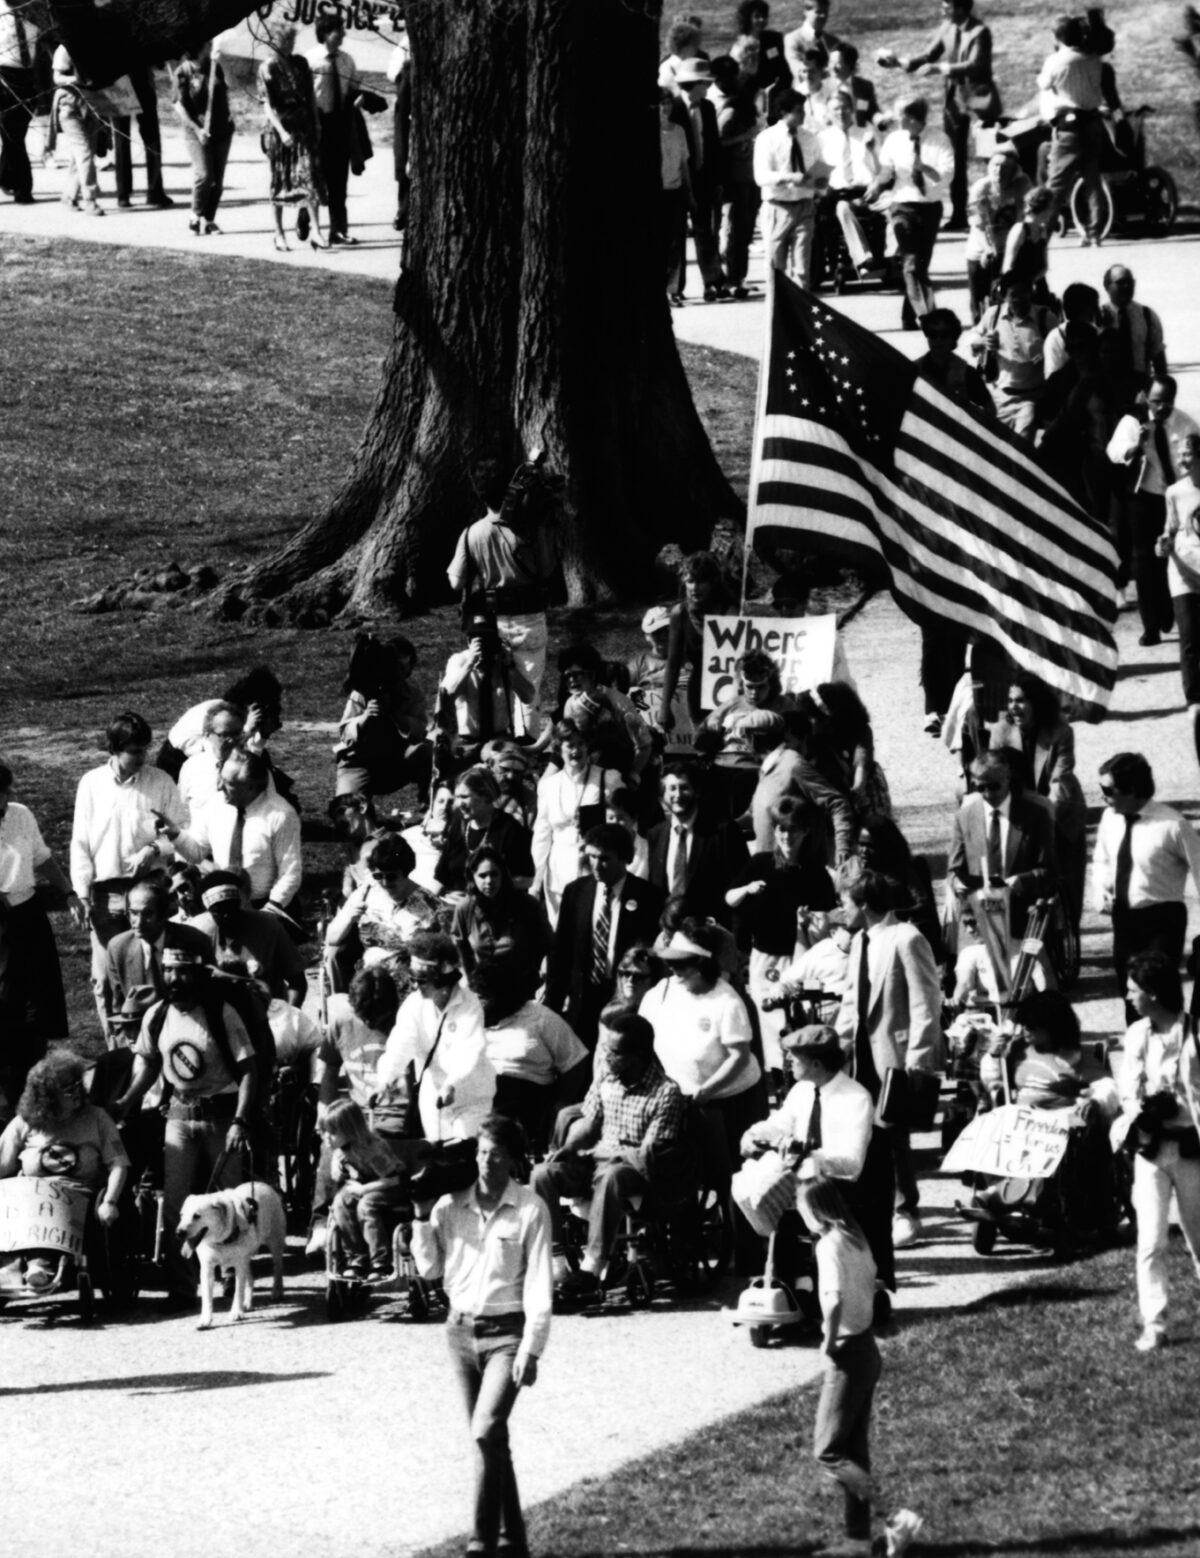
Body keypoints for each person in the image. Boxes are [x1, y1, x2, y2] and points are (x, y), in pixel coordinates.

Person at [411, 1114, 553, 1558]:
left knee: (485, 1429)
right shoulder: (448, 1206)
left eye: (495, 1153)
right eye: (480, 1152)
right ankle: (514, 1541)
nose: (486, 1161)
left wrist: (531, 1348)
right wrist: (419, 1215)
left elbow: (539, 1287)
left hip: (507, 1334)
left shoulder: (531, 1209)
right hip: (459, 1331)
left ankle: (480, 1543)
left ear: (513, 1159)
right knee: (490, 1439)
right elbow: (430, 1270)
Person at [113, 948, 258, 1309]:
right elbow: (148, 1062)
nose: (175, 980)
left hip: (222, 1115)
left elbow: (249, 1070)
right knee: (178, 1204)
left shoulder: (220, 1013)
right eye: (169, 972)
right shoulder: (157, 1015)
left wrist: (240, 1120)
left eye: (183, 972)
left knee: (229, 1200)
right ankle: (181, 1286)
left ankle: (230, 1276)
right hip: (178, 1113)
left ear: (198, 975)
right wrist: (125, 1103)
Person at [835, 870, 943, 1321]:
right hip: (860, 1054)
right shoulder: (860, 942)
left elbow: (926, 1000)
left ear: (862, 902)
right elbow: (850, 1001)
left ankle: (906, 1210)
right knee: (869, 1134)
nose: (841, 909)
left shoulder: (905, 937)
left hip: (893, 1055)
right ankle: (883, 1207)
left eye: (844, 901)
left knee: (893, 1131)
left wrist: (918, 1058)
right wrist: (835, 1045)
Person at [797, 1177, 924, 1558]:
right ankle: (856, 1541)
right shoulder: (855, 1237)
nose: (800, 1215)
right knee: (855, 1450)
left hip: (848, 1353)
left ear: (816, 1210)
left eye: (801, 1207)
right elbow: (873, 1282)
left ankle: (895, 1517)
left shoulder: (827, 1245)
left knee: (828, 1451)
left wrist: (829, 1340)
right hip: (868, 1349)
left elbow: (833, 1299)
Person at [531, 1006, 687, 1298]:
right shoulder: (606, 1079)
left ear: (638, 1055)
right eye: (605, 1049)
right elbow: (590, 1124)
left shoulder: (666, 1092)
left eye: (614, 1053)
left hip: (635, 1169)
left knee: (612, 1176)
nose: (605, 1057)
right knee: (542, 1174)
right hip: (597, 1160)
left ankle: (592, 1266)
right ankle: (557, 1264)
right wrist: (567, 1148)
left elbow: (649, 1152)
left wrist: (613, 1157)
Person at [71, 712, 186, 1026]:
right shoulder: (91, 784)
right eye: (134, 751)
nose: (142, 757)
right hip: (106, 894)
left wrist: (153, 848)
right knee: (106, 979)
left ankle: (159, 1038)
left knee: (153, 968)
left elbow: (180, 832)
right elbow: (80, 842)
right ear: (114, 748)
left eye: (144, 749)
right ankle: (118, 1053)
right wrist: (82, 894)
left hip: (149, 890)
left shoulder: (160, 781)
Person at [1118, 951, 1200, 1353]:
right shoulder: (1137, 1035)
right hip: (1151, 1151)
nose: (1129, 996)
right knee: (1150, 1241)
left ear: (1152, 993)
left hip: (1190, 1150)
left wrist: (1178, 1105)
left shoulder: (1195, 1033)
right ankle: (1155, 1322)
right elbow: (1126, 1092)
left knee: (1198, 1236)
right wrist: (1144, 1110)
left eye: (1134, 990)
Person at [640, 923, 763, 1188]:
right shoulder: (660, 993)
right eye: (671, 963)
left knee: (733, 1179)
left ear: (704, 965)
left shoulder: (726, 1002)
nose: (674, 970)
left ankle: (737, 1228)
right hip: (682, 1100)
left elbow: (738, 1057)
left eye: (683, 964)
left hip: (731, 1102)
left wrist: (706, 1091)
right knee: (684, 1177)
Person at [0, 1052, 130, 1291]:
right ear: (47, 1097)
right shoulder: (24, 1122)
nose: (78, 1092)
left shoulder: (97, 1118)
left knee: (51, 1210)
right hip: (28, 1198)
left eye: (79, 1085)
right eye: (68, 1090)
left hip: (78, 1196)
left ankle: (40, 1265)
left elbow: (119, 1164)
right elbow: (3, 1165)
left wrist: (110, 1201)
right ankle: (12, 1265)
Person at [728, 795, 836, 1072]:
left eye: (794, 829)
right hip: (766, 959)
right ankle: (777, 1075)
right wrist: (746, 889)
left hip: (802, 958)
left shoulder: (815, 872)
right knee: (771, 1022)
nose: (787, 836)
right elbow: (729, 898)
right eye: (781, 829)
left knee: (802, 1018)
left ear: (806, 832)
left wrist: (811, 920)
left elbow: (830, 917)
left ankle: (804, 1071)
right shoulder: (760, 864)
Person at [309, 964, 406, 1254]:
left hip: (397, 1116)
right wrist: (323, 1113)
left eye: (379, 1017)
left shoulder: (406, 1025)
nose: (372, 1022)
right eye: (365, 1017)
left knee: (367, 1147)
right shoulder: (341, 1021)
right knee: (331, 1145)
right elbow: (327, 1072)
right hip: (355, 1116)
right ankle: (320, 1223)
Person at [1092, 753, 1200, 1010]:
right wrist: (1100, 889)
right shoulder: (1110, 818)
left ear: (1131, 790)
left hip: (1162, 921)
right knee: (1130, 994)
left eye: (1108, 790)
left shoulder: (1173, 825)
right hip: (1124, 919)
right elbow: (1102, 859)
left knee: (1158, 993)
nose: (1102, 797)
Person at [544, 823, 664, 1048]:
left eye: (604, 858)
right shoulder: (576, 892)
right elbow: (560, 952)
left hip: (624, 1000)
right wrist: (553, 1003)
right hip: (582, 1000)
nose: (596, 865)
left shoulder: (649, 897)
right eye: (591, 857)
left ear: (624, 858)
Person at [378, 931, 496, 1143]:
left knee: (464, 1150)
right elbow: (400, 1045)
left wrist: (452, 1083)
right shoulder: (413, 1005)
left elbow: (470, 1050)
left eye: (421, 980)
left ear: (442, 980)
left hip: (472, 1096)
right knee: (438, 1156)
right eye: (412, 978)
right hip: (433, 1098)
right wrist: (385, 1079)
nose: (415, 986)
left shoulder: (470, 1005)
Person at [991, 674, 1088, 930]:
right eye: (1010, 700)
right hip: (1021, 810)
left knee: (1067, 879)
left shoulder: (1061, 730)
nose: (1014, 707)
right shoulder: (1000, 731)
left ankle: (1067, 929)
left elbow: (1060, 777)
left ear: (1037, 703)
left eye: (1021, 701)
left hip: (1061, 811)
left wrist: (1044, 815)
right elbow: (997, 772)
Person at [1108, 376, 1200, 647]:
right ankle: (1150, 626)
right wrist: (1136, 445)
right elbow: (1113, 452)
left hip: (1175, 498)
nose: (1161, 408)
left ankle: (1168, 609)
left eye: (1167, 402)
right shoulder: (1133, 421)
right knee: (1144, 560)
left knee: (1172, 555)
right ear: (1145, 397)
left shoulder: (1184, 424)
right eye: (1156, 401)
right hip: (1143, 498)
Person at [0, 764, 78, 1081]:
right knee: (5, 998)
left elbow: (41, 857)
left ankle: (35, 1074)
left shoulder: (20, 814)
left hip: (28, 912)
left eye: (6, 792)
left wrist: (68, 892)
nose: (4, 801)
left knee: (39, 996)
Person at [891, 0, 998, 230]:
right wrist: (901, 63)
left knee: (989, 155)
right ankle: (959, 213)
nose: (942, 10)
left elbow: (977, 65)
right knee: (956, 155)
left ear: (961, 8)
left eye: (947, 6)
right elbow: (929, 55)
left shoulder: (980, 32)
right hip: (956, 100)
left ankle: (995, 209)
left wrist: (940, 69)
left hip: (980, 99)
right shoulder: (947, 27)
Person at [472, 960, 589, 1151]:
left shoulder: (541, 1018)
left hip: (525, 1099)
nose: (476, 1003)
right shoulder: (470, 1019)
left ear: (503, 996)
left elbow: (576, 1061)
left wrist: (561, 1103)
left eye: (483, 998)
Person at [167, 750, 302, 911]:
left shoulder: (281, 815)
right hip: (222, 904)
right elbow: (197, 853)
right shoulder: (215, 804)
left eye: (228, 783)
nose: (218, 787)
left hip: (265, 906)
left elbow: (290, 873)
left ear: (250, 787)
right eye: (220, 779)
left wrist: (269, 912)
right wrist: (175, 835)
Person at [864, 96, 952, 329]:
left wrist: (925, 168)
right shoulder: (894, 140)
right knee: (911, 263)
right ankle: (928, 317)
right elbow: (886, 172)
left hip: (930, 207)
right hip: (902, 206)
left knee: (919, 266)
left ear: (912, 118)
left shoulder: (939, 140)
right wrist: (876, 183)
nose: (893, 119)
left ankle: (908, 315)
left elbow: (946, 176)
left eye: (898, 114)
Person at [948, 749, 1058, 936]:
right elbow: (954, 872)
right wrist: (959, 885)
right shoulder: (964, 818)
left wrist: (1024, 880)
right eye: (981, 788)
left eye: (994, 786)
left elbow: (1050, 870)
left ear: (1008, 778)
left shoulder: (1035, 816)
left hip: (1024, 920)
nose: (989, 794)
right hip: (979, 922)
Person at [531, 721, 623, 927]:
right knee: (561, 929)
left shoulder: (607, 778)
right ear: (559, 747)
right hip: (558, 869)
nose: (575, 750)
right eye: (569, 744)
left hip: (595, 866)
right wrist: (536, 880)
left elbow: (622, 826)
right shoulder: (549, 786)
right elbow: (542, 835)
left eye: (581, 743)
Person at [647, 762, 750, 928]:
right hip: (668, 932)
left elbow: (740, 886)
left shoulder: (723, 832)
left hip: (711, 933)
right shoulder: (656, 835)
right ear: (663, 795)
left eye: (684, 788)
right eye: (672, 788)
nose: (678, 795)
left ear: (697, 791)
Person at [1037, 14, 1108, 246]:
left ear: (1058, 37)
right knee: (1092, 178)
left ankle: (1043, 233)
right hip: (1093, 121)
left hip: (1069, 124)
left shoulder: (1056, 61)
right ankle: (1095, 232)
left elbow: (1044, 84)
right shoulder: (1093, 58)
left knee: (1056, 183)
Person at [334, 632, 432, 802]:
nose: (400, 673)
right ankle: (363, 803)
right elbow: (345, 734)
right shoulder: (362, 692)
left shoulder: (413, 695)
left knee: (428, 751)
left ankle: (428, 803)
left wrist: (395, 714)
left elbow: (420, 730)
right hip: (359, 763)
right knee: (349, 810)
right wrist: (366, 716)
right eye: (396, 666)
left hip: (394, 763)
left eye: (405, 667)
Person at [104, 878, 214, 1023]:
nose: (139, 921)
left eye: (147, 914)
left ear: (163, 915)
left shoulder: (194, 941)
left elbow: (209, 998)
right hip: (139, 1032)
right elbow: (118, 1007)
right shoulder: (118, 948)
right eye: (133, 913)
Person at [259, 21, 326, 252]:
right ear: (275, 42)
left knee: (310, 177)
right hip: (280, 130)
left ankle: (317, 231)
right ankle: (278, 233)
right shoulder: (267, 68)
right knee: (280, 180)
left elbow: (311, 95)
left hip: (303, 126)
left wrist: (316, 123)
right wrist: (281, 131)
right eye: (285, 41)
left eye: (291, 41)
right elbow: (267, 105)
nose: (289, 45)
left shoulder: (301, 63)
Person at [191, 872, 306, 1004]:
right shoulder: (197, 933)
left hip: (271, 1013)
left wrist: (289, 1017)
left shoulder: (269, 926)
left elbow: (297, 982)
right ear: (209, 912)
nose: (227, 917)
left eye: (231, 909)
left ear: (240, 904)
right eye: (219, 912)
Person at [753, 86, 828, 285]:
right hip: (777, 206)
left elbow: (818, 167)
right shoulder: (767, 138)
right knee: (775, 269)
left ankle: (801, 314)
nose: (803, 115)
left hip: (804, 206)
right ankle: (777, 314)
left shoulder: (810, 138)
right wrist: (790, 177)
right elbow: (761, 176)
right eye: (798, 111)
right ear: (784, 112)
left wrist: (821, 182)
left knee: (802, 270)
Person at [324, 1098, 406, 1277]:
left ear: (349, 1131)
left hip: (391, 1187)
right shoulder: (342, 1149)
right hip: (365, 1185)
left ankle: (380, 1261)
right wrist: (336, 1169)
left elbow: (394, 1179)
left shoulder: (372, 1150)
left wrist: (364, 1190)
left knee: (366, 1204)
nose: (326, 1138)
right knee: (340, 1201)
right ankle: (356, 1258)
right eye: (325, 1132)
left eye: (332, 1133)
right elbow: (339, 1176)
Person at [660, 551, 738, 735]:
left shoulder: (730, 612)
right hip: (698, 691)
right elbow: (673, 664)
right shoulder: (680, 613)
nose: (695, 588)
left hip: (730, 692)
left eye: (701, 581)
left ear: (713, 583)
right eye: (690, 581)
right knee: (703, 747)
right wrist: (665, 707)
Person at [971, 272, 1056, 440]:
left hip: (1030, 398)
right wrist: (982, 342)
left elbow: (1059, 351)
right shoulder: (992, 315)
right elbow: (972, 340)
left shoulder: (1045, 318)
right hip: (998, 398)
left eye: (1023, 293)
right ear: (1004, 295)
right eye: (1013, 295)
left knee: (1021, 444)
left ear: (1031, 292)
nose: (1018, 299)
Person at [452, 844, 550, 986]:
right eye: (482, 876)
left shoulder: (527, 904)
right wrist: (468, 981)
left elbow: (548, 945)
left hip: (522, 987)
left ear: (503, 874)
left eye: (494, 874)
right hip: (484, 989)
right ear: (472, 878)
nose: (489, 881)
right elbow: (459, 949)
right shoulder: (465, 909)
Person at [438, 617, 538, 750]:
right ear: (469, 642)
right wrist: (469, 664)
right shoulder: (459, 661)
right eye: (480, 641)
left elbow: (528, 697)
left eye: (490, 640)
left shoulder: (507, 661)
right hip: (467, 741)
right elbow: (447, 697)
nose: (486, 647)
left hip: (500, 738)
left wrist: (510, 667)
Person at [1159, 431, 1200, 759]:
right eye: (1180, 454)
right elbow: (1169, 531)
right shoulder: (1174, 492)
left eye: (1187, 454)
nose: (1182, 459)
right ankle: (1194, 700)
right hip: (1182, 573)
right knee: (1188, 636)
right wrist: (1163, 544)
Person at [675, 58, 728, 302]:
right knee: (676, 235)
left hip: (704, 177)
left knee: (705, 231)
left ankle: (713, 282)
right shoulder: (673, 108)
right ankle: (674, 287)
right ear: (693, 84)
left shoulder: (706, 107)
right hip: (678, 179)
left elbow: (713, 144)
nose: (707, 88)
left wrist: (717, 179)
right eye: (704, 83)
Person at [436, 767, 534, 899]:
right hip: (458, 906)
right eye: (457, 797)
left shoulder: (510, 829)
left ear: (486, 797)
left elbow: (527, 879)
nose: (459, 804)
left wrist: (483, 890)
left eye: (464, 797)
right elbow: (442, 873)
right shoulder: (458, 822)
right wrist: (445, 894)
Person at [710, 54, 761, 300]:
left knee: (746, 232)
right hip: (733, 179)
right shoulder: (729, 112)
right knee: (734, 231)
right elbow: (718, 143)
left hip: (750, 178)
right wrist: (744, 137)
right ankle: (730, 278)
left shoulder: (748, 112)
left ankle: (739, 277)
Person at [818, 89, 883, 281]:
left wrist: (872, 153)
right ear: (829, 113)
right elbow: (819, 175)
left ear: (852, 109)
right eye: (836, 109)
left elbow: (882, 170)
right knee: (842, 207)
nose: (841, 112)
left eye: (845, 107)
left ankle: (893, 262)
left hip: (867, 191)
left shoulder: (867, 134)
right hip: (836, 194)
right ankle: (864, 260)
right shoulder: (822, 139)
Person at [306, 17, 360, 245]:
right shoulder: (310, 60)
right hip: (319, 123)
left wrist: (359, 99)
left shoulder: (347, 60)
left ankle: (338, 229)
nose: (344, 35)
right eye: (339, 31)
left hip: (341, 123)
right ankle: (306, 217)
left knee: (339, 178)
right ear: (326, 33)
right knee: (317, 176)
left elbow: (354, 88)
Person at [173, 41, 233, 236]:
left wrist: (225, 64)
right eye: (208, 43)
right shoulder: (184, 71)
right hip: (196, 130)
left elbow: (233, 86)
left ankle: (209, 220)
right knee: (204, 174)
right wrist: (197, 129)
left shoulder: (215, 66)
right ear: (200, 47)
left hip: (221, 129)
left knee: (217, 180)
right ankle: (195, 215)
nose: (210, 46)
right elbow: (179, 105)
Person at [51, 44, 103, 216]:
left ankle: (69, 196)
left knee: (80, 156)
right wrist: (77, 79)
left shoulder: (95, 46)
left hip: (92, 104)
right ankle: (90, 199)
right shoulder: (65, 48)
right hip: (70, 106)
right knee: (84, 153)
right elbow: (57, 77)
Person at [1098, 266, 1166, 393]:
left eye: (1130, 282)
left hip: (1140, 388)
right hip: (1109, 389)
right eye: (1120, 283)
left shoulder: (1147, 315)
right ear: (1107, 286)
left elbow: (1158, 356)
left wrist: (1161, 390)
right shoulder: (1099, 316)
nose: (1126, 286)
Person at [176, 701, 245, 820]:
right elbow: (181, 809)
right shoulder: (191, 767)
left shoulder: (252, 767)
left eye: (236, 734)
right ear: (207, 735)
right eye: (225, 735)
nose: (232, 740)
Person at [0, 0, 39, 205]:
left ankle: (6, 177)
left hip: (27, 78)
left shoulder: (30, 15)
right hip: (4, 77)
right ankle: (23, 188)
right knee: (13, 134)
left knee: (15, 133)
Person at [660, 86, 693, 305]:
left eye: (669, 103)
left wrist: (690, 193)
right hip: (657, 193)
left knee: (677, 241)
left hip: (677, 190)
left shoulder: (679, 130)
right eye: (662, 103)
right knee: (660, 241)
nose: (666, 108)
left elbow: (684, 163)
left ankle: (674, 288)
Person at [733, 0, 790, 121]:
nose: (761, 20)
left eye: (764, 16)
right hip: (749, 94)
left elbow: (782, 66)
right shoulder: (740, 44)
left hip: (775, 92)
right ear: (748, 18)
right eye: (757, 17)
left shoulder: (774, 39)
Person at [1000, 185, 1055, 301]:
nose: (1051, 211)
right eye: (1049, 207)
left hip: (1036, 281)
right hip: (1014, 284)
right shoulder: (1020, 230)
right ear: (1041, 208)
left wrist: (1032, 282)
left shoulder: (1042, 231)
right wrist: (1022, 287)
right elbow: (1007, 267)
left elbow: (1044, 266)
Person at [829, 42, 880, 128]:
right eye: (831, 62)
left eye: (837, 63)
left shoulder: (864, 86)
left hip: (860, 134)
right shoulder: (825, 87)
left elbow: (871, 112)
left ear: (849, 64)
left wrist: (880, 119)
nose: (833, 67)